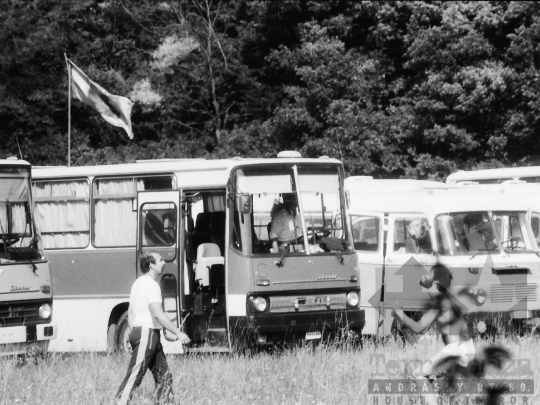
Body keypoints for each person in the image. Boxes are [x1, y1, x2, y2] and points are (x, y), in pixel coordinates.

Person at [392, 264, 475, 405]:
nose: (423, 276)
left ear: (436, 282)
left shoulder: (439, 301)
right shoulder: (447, 298)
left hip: (455, 350)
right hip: (467, 349)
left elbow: (418, 328)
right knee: (431, 379)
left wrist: (399, 312)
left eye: (428, 274)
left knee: (418, 374)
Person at [116, 252, 190, 405]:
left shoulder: (137, 283)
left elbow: (131, 312)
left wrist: (132, 332)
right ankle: (119, 402)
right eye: (160, 260)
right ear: (151, 265)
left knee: (165, 376)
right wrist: (178, 332)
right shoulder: (151, 285)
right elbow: (157, 312)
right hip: (146, 334)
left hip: (148, 334)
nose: (164, 262)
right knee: (134, 376)